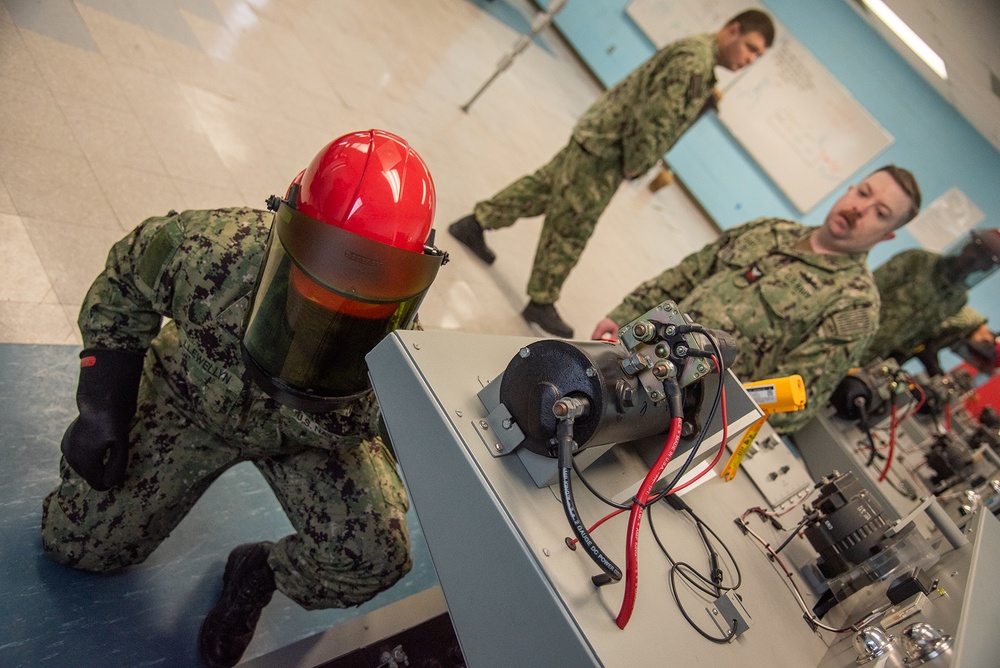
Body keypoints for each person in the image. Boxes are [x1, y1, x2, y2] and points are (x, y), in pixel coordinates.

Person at [39, 130, 448, 668]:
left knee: (376, 555)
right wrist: (102, 401)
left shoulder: (403, 355)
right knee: (78, 545)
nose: (332, 304)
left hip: (311, 440)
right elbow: (126, 278)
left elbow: (430, 439)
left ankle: (258, 572)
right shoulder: (212, 251)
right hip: (192, 400)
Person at [448, 9, 776, 338]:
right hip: (609, 149)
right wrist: (636, 164)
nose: (749, 60)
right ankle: (541, 300)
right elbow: (653, 120)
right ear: (733, 30)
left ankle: (474, 224)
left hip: (602, 136)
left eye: (757, 56)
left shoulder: (699, 62)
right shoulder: (694, 63)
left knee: (545, 189)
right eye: (751, 48)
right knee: (574, 222)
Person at [591, 165, 921, 434]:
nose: (859, 209)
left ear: (886, 235)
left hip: (680, 416)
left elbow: (791, 400)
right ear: (849, 188)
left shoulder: (855, 304)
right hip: (635, 358)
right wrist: (626, 313)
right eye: (862, 193)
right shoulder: (769, 230)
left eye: (880, 213)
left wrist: (706, 425)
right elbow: (688, 274)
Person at [861, 229, 1000, 374]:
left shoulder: (957, 299)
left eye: (985, 262)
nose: (975, 261)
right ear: (967, 246)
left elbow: (917, 338)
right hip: (851, 337)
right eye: (976, 253)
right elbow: (865, 292)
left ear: (986, 269)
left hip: (872, 358)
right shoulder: (918, 261)